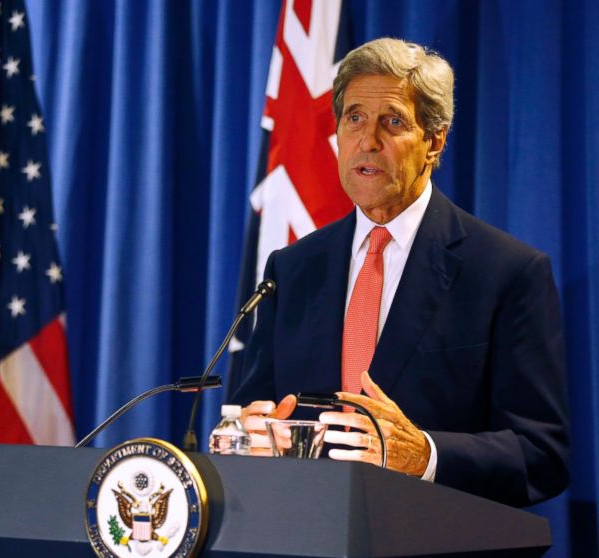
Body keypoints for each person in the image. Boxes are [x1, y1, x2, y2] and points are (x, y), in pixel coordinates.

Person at [229, 38, 569, 507]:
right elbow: (258, 410)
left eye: (392, 122)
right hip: (306, 532)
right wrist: (252, 435)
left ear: (434, 140)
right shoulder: (291, 269)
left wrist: (425, 455)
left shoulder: (507, 273)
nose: (368, 141)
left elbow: (542, 455)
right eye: (354, 119)